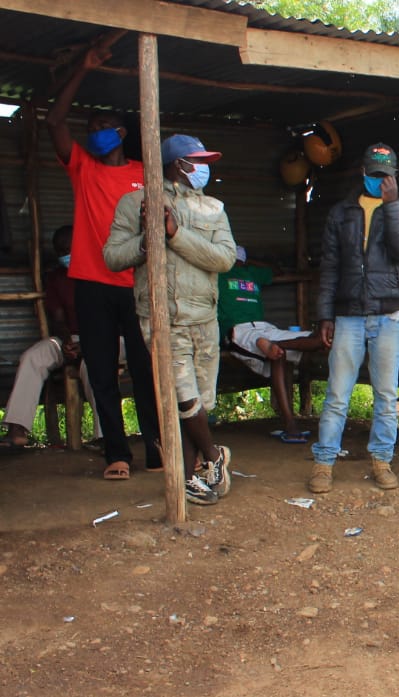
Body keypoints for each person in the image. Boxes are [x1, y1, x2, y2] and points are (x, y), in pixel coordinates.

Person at [47, 41, 162, 480]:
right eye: (91, 126)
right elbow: (55, 121)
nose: (95, 131)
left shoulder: (144, 172)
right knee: (101, 374)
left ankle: (157, 450)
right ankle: (117, 454)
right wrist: (83, 66)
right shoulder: (82, 167)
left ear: (121, 132)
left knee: (146, 371)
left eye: (103, 126)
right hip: (92, 286)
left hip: (138, 286)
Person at [104, 134, 237, 506]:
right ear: (180, 164)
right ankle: (212, 456)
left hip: (204, 317)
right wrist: (147, 239)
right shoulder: (135, 203)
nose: (205, 168)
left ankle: (193, 473)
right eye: (200, 161)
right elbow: (112, 257)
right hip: (162, 319)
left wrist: (175, 234)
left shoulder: (213, 208)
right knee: (183, 397)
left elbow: (225, 259)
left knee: (199, 402)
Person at [308, 143, 399, 494]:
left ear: (395, 176)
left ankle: (382, 461)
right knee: (337, 394)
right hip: (348, 316)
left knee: (386, 395)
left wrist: (391, 204)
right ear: (362, 172)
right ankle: (324, 463)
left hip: (388, 316)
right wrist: (325, 315)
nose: (379, 180)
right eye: (374, 174)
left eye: (385, 175)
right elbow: (330, 266)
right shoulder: (341, 213)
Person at [1, 226, 105, 447]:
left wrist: (88, 345)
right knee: (33, 356)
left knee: (94, 365)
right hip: (72, 339)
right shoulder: (57, 278)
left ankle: (106, 435)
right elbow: (58, 319)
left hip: (107, 339)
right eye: (60, 252)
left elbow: (113, 320)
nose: (65, 255)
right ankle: (17, 428)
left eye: (68, 249)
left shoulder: (102, 271)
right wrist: (67, 342)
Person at [219, 245, 326, 442]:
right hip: (238, 330)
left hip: (263, 328)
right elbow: (276, 270)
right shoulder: (218, 274)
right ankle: (290, 424)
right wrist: (248, 262)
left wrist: (249, 263)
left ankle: (277, 345)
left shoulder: (248, 273)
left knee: (308, 339)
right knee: (274, 350)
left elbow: (276, 270)